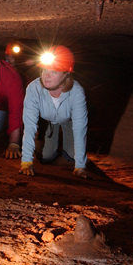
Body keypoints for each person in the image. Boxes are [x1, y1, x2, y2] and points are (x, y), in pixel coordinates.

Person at [19, 45, 90, 179]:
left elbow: (80, 129)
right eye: (44, 70)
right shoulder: (34, 89)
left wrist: (80, 166)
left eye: (54, 72)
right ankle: (50, 146)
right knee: (46, 156)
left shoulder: (77, 92)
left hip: (68, 121)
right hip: (48, 122)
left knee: (72, 156)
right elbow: (29, 126)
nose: (46, 76)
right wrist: (26, 162)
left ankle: (69, 154)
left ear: (66, 74)